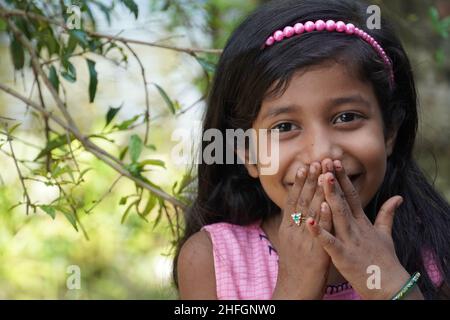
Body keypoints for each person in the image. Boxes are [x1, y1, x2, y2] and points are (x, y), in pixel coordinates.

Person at [173, 0, 450, 299]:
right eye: (284, 127)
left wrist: (390, 285)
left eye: (347, 117)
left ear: (389, 132)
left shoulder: (437, 254)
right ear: (247, 153)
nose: (321, 154)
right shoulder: (211, 262)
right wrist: (297, 285)